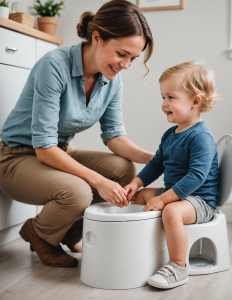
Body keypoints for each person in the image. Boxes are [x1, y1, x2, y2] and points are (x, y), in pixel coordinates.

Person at [0, 0, 154, 267]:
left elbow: (114, 136)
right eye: (121, 54)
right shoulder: (54, 66)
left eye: (133, 58)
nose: (126, 65)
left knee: (123, 169)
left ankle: (71, 229)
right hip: (15, 158)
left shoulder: (112, 79)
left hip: (58, 152)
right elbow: (44, 147)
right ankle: (38, 234)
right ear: (97, 38)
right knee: (80, 191)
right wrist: (99, 182)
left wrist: (154, 158)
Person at [124, 61, 220, 289]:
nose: (164, 104)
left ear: (196, 101)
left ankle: (178, 266)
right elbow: (157, 164)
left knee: (170, 210)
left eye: (171, 97)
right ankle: (144, 249)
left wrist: (164, 199)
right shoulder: (171, 134)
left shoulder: (200, 137)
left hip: (200, 200)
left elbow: (196, 177)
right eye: (162, 98)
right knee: (140, 197)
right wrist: (136, 183)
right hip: (175, 193)